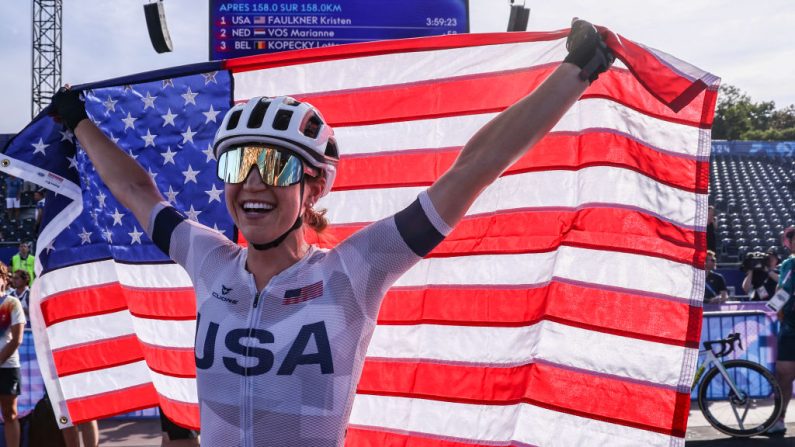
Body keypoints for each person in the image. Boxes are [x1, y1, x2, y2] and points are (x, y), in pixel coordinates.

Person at [50, 19, 614, 446]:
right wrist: (77, 121)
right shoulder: (208, 258)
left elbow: (472, 169)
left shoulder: (353, 271)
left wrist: (576, 73)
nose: (252, 184)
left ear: (313, 189)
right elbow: (137, 192)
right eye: (236, 166)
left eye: (275, 168)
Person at [769, 227, 795, 435]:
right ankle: (779, 419)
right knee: (784, 375)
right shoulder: (788, 264)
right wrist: (773, 308)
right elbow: (782, 291)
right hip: (790, 328)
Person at [0, 274, 26, 447]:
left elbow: (17, 339)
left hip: (8, 367)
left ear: (3, 279)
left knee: (10, 414)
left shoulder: (12, 303)